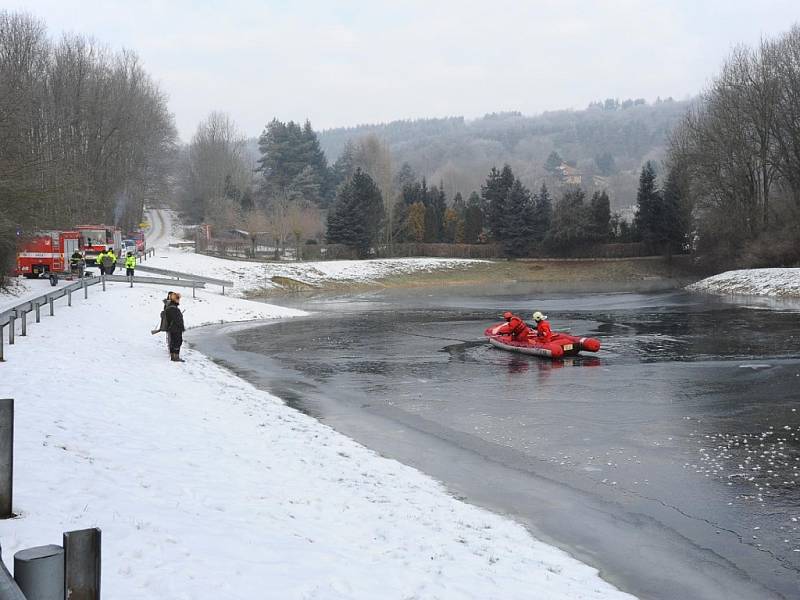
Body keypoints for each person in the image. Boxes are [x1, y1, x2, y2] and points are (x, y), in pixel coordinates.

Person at [165, 291, 186, 362]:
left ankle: (172, 356)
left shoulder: (169, 307)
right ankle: (176, 357)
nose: (179, 300)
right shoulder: (173, 308)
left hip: (171, 328)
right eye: (178, 298)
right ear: (175, 299)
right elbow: (177, 320)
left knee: (173, 342)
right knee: (178, 341)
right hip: (176, 328)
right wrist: (182, 327)